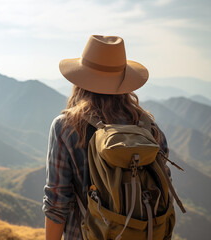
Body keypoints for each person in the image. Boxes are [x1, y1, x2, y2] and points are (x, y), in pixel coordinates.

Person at [42, 35, 170, 240]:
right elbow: (163, 192)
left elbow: (56, 203)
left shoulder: (66, 127)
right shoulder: (149, 128)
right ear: (125, 81)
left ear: (80, 80)